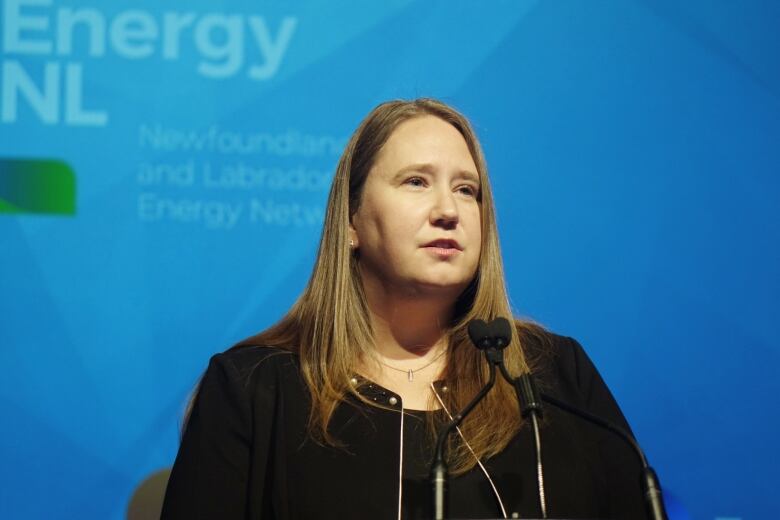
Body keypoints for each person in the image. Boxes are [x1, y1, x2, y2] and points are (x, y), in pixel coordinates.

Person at [160, 98, 649, 519]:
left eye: (466, 190)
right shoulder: (256, 389)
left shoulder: (552, 377)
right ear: (351, 221)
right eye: (416, 182)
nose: (448, 210)